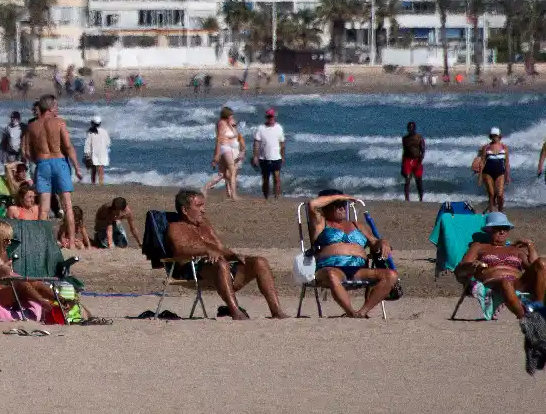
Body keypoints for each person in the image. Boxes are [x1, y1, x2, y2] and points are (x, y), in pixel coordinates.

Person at [166, 189, 287, 319]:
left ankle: (277, 311)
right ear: (185, 210)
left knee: (259, 262)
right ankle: (235, 311)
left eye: (203, 205)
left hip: (221, 268)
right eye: (198, 206)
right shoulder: (175, 227)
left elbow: (220, 247)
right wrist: (205, 250)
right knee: (221, 264)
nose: (203, 210)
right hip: (194, 270)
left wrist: (233, 255)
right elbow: (180, 249)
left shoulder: (204, 224)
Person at [306, 189, 397, 318]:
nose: (342, 207)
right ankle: (351, 312)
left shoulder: (358, 225)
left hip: (359, 270)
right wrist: (340, 196)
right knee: (332, 275)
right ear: (325, 206)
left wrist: (383, 242)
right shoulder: (321, 223)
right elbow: (312, 204)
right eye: (337, 204)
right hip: (330, 269)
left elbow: (374, 241)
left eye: (344, 204)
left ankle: (362, 312)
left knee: (391, 276)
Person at [457, 212, 546, 320]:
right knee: (505, 281)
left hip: (517, 282)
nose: (502, 231)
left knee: (542, 262)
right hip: (493, 283)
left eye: (505, 228)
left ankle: (539, 308)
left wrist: (530, 245)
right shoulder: (479, 247)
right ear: (489, 230)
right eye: (498, 228)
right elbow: (460, 270)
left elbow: (536, 266)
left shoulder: (516, 249)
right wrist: (474, 265)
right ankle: (524, 316)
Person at [24, 94, 82, 247]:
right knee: (67, 206)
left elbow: (26, 153)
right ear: (50, 108)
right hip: (60, 162)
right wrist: (77, 167)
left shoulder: (32, 126)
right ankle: (71, 243)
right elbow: (68, 146)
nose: (57, 109)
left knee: (44, 208)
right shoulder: (59, 123)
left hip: (43, 164)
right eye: (56, 106)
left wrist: (39, 161)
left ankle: (41, 242)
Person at [204, 106, 245, 200]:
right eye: (231, 115)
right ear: (226, 115)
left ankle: (204, 188)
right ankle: (233, 195)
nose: (232, 117)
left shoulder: (227, 124)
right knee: (232, 171)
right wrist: (216, 155)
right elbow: (219, 139)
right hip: (225, 148)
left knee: (221, 174)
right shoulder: (221, 123)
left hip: (227, 148)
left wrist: (232, 126)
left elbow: (236, 135)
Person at [251, 107, 286, 200]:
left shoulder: (279, 128)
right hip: (264, 158)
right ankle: (266, 197)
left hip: (276, 158)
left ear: (274, 117)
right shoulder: (260, 128)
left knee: (277, 179)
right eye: (269, 116)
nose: (271, 118)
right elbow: (256, 143)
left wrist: (282, 156)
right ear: (266, 117)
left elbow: (282, 143)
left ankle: (276, 198)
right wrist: (255, 156)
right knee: (265, 179)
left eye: (272, 116)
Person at [477, 127, 510, 213]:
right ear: (490, 136)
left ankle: (500, 211)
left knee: (500, 195)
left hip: (500, 173)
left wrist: (507, 176)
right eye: (492, 136)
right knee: (491, 194)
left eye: (496, 136)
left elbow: (506, 163)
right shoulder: (486, 147)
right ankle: (491, 212)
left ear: (499, 136)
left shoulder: (504, 147)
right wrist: (480, 176)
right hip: (488, 173)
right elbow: (482, 162)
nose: (494, 137)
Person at [401, 121, 425, 202]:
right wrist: (402, 165)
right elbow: (404, 151)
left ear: (414, 128)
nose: (410, 129)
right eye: (409, 127)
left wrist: (420, 161)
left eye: (412, 127)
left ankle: (421, 198)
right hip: (407, 160)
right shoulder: (405, 139)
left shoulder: (419, 138)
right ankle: (407, 198)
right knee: (407, 180)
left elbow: (423, 151)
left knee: (418, 181)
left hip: (417, 160)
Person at [83, 116, 110, 184]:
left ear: (92, 123)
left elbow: (87, 144)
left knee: (93, 169)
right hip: (102, 152)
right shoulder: (104, 131)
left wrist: (87, 154)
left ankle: (93, 183)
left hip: (93, 152)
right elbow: (108, 142)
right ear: (100, 123)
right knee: (101, 169)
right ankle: (101, 183)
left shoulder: (90, 132)